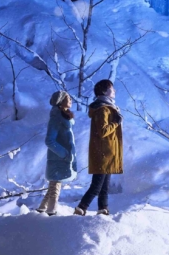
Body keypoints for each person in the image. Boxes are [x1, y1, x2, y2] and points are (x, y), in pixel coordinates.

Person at [73, 79, 123, 216]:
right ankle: (80, 208)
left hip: (106, 152)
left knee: (104, 187)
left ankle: (103, 210)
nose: (114, 91)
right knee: (96, 186)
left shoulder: (108, 108)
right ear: (104, 92)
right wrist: (116, 122)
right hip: (103, 153)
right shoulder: (103, 110)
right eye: (112, 89)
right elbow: (103, 131)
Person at [36, 90, 77, 215]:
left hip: (62, 158)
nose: (71, 100)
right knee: (55, 186)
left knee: (54, 184)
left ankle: (42, 209)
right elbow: (49, 140)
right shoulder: (56, 118)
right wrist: (64, 154)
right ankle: (51, 213)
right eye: (68, 98)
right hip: (58, 158)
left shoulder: (63, 117)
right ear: (61, 101)